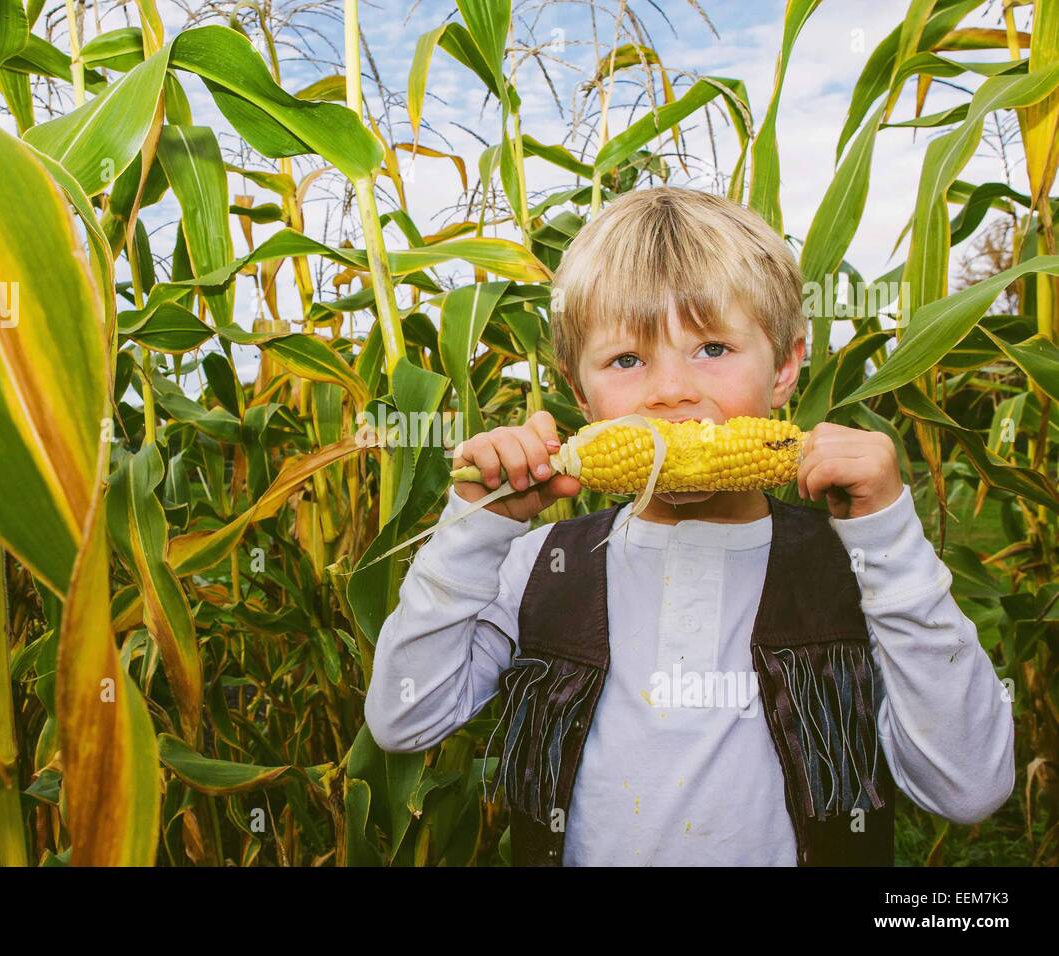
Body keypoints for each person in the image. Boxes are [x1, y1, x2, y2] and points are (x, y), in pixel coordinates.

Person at [362, 186, 1015, 866]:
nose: (670, 390)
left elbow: (968, 789)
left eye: (712, 348)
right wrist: (474, 528)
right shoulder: (537, 566)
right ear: (579, 394)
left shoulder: (855, 568)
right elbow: (405, 720)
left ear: (786, 366)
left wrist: (887, 542)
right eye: (626, 360)